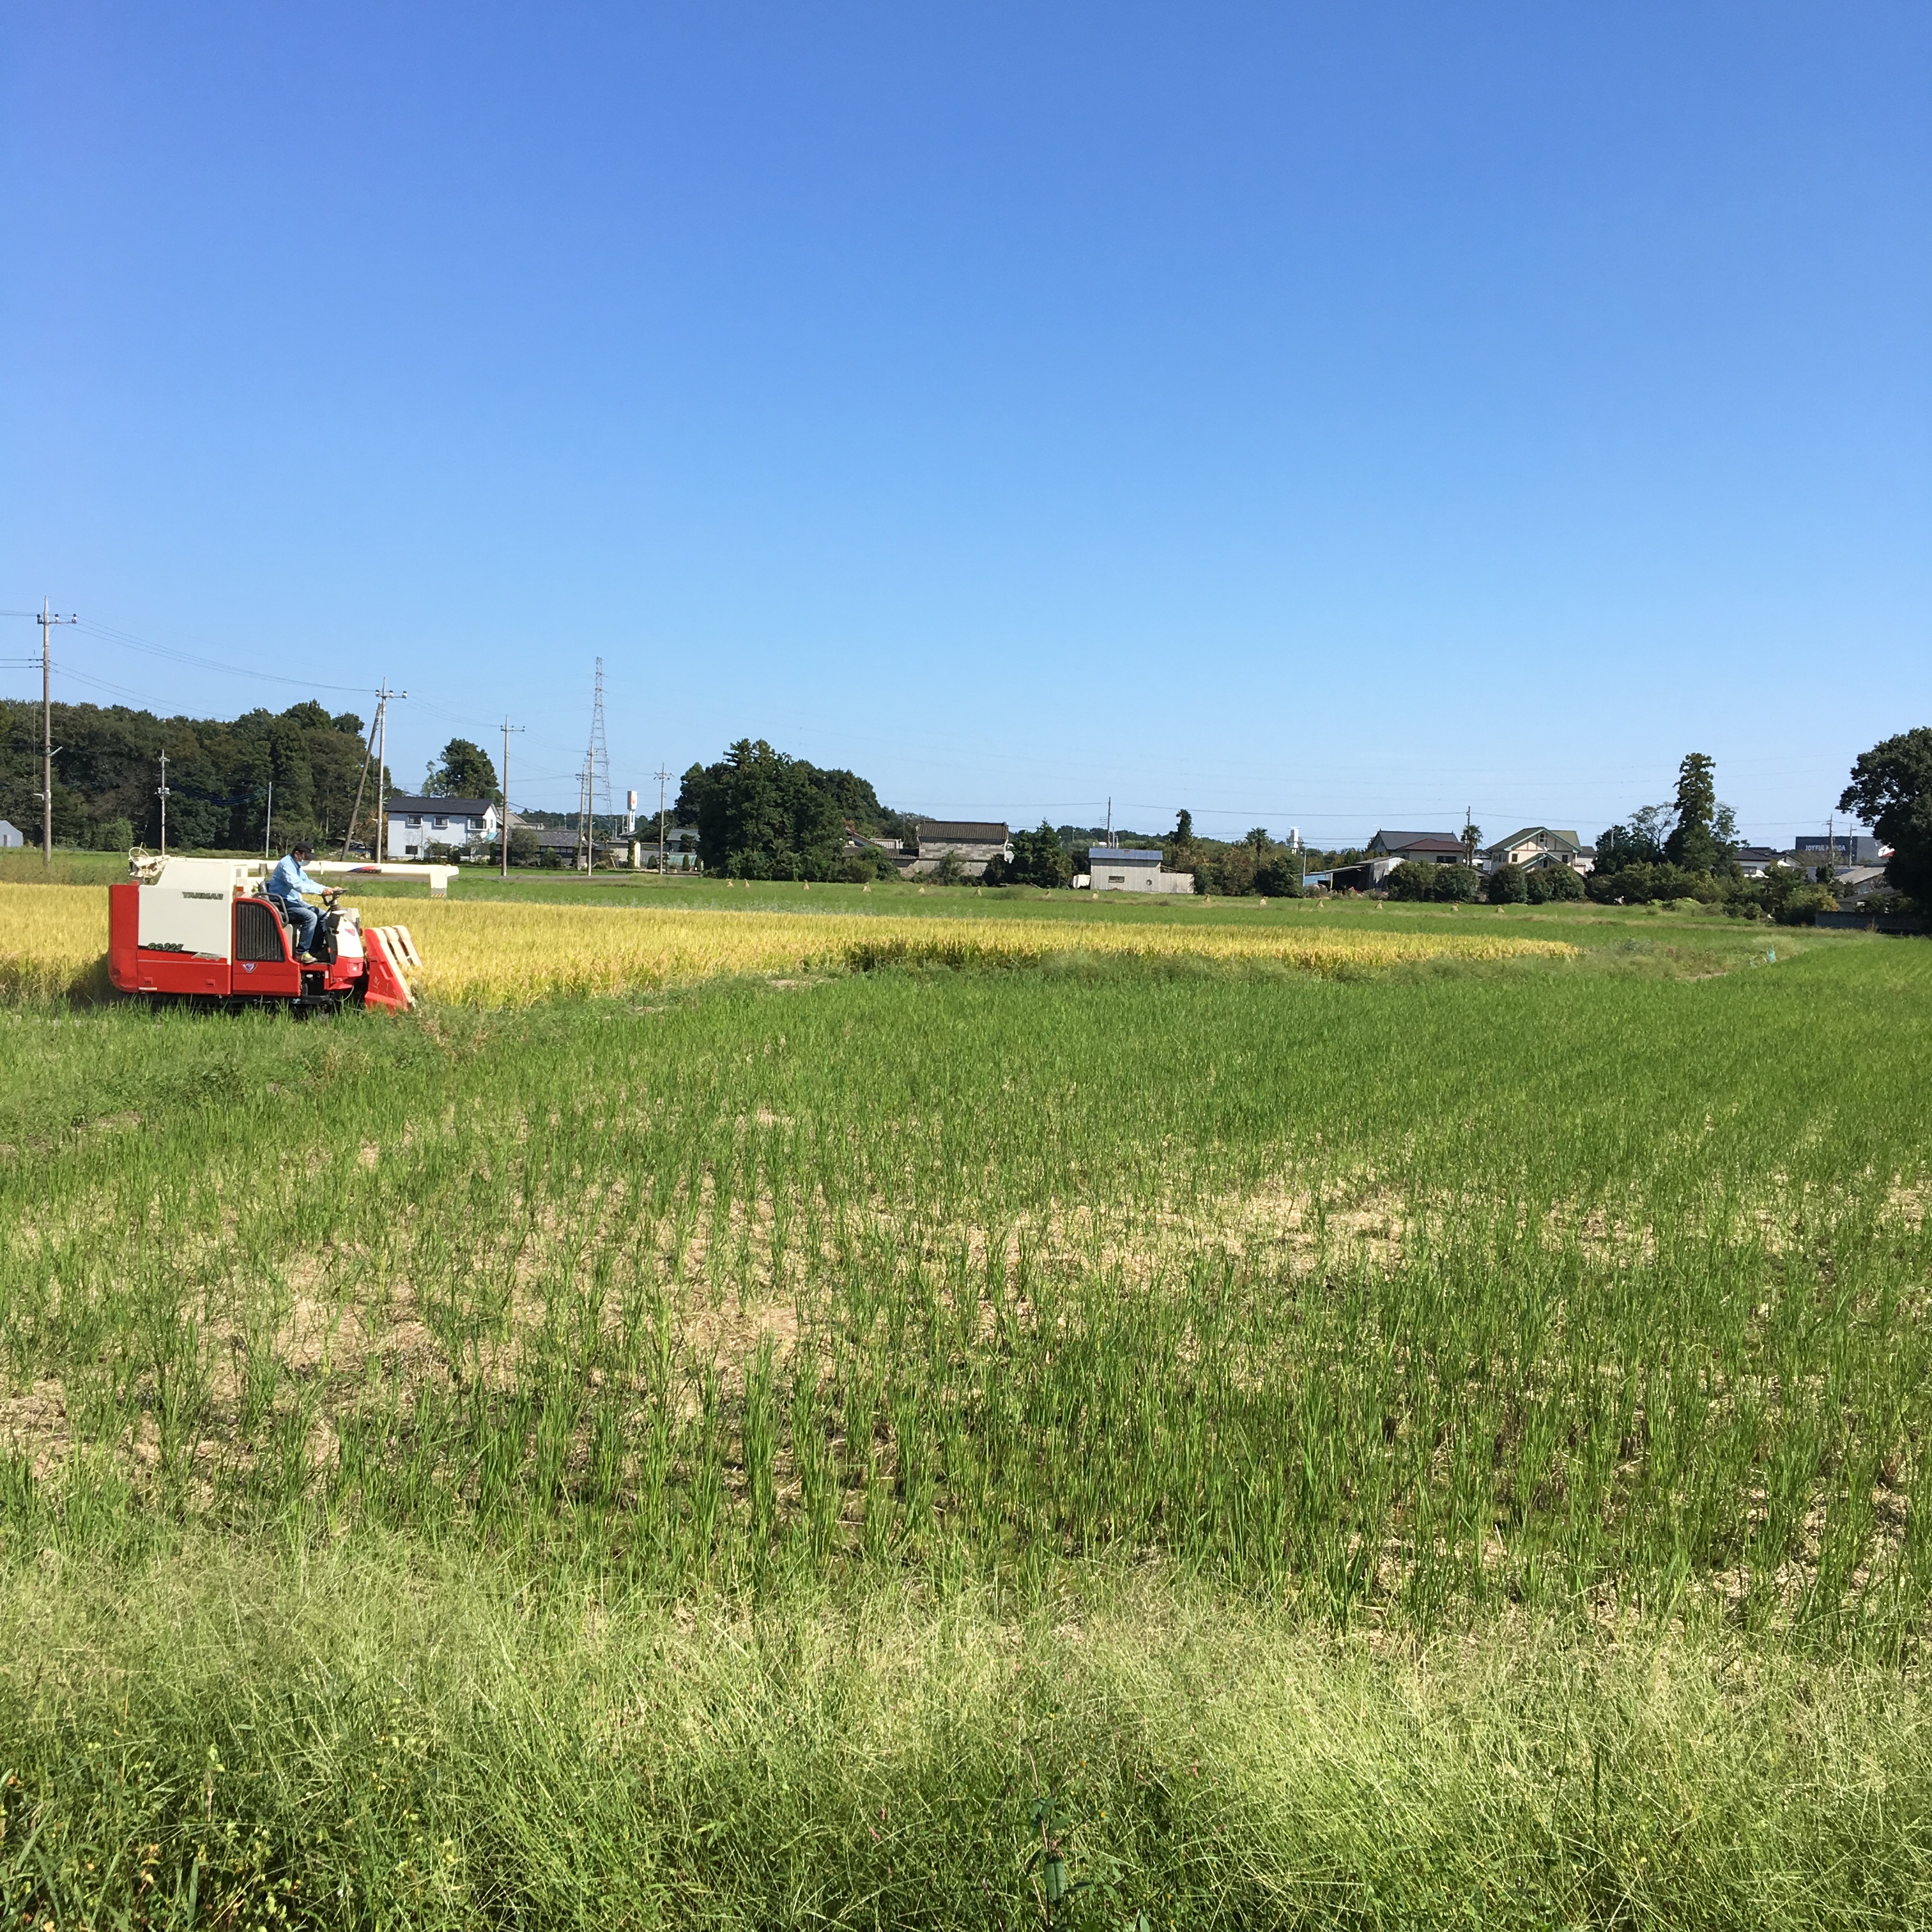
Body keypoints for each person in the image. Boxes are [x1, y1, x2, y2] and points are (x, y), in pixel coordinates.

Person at [264, 842, 336, 960]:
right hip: (282, 903)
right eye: (306, 857)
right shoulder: (286, 865)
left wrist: (327, 889)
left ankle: (314, 950)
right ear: (297, 853)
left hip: (292, 900)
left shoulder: (296, 866)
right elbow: (298, 885)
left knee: (323, 916)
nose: (307, 860)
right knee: (310, 916)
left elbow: (308, 882)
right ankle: (301, 953)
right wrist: (321, 891)